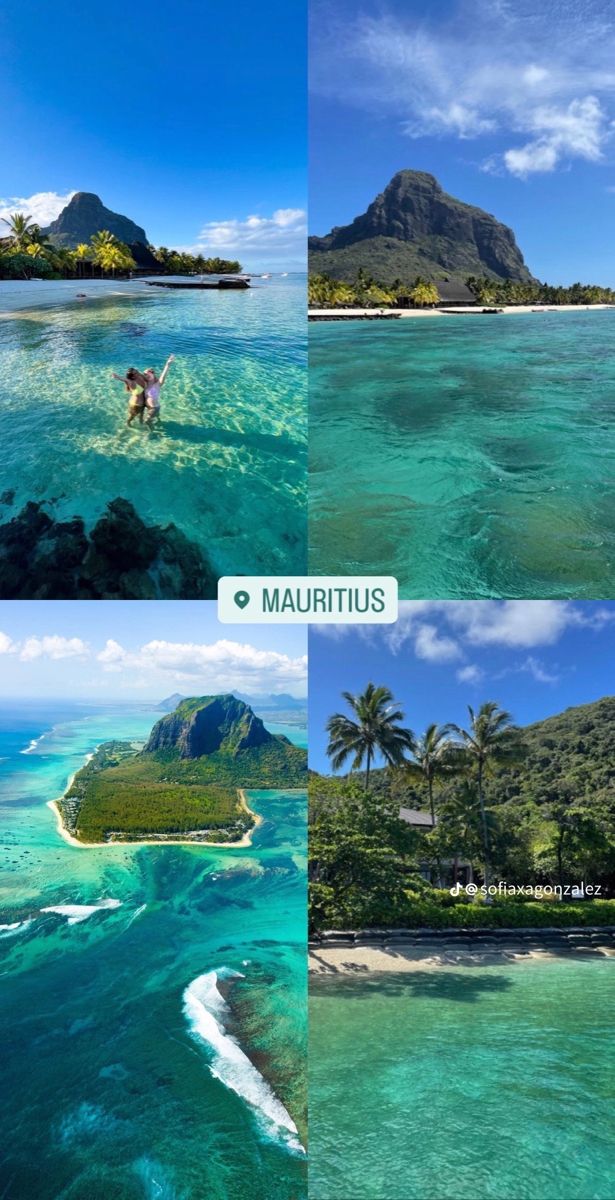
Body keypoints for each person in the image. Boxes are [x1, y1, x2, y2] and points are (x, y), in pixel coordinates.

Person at [143, 354, 175, 424]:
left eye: (147, 374)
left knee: (146, 421)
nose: (145, 375)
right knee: (156, 417)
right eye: (144, 374)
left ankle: (150, 432)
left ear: (152, 374)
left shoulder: (158, 384)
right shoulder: (144, 384)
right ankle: (159, 421)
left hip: (154, 407)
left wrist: (168, 364)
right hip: (147, 407)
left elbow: (164, 374)